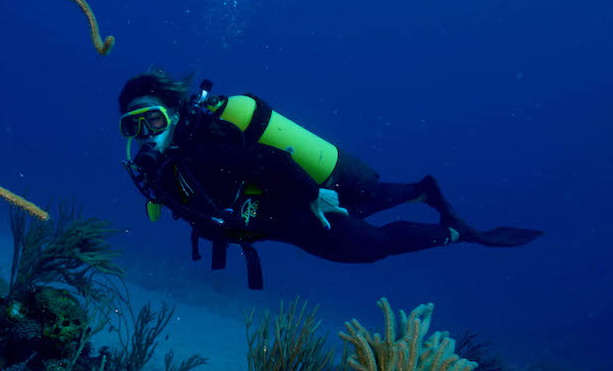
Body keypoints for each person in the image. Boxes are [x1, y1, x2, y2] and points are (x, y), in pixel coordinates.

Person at [118, 69, 543, 289]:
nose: (146, 135)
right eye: (132, 128)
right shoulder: (163, 166)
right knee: (360, 203)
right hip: (273, 208)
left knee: (371, 248)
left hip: (290, 207)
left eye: (152, 120)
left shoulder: (200, 145)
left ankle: (452, 232)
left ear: (172, 115)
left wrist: (311, 195)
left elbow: (265, 159)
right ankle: (419, 191)